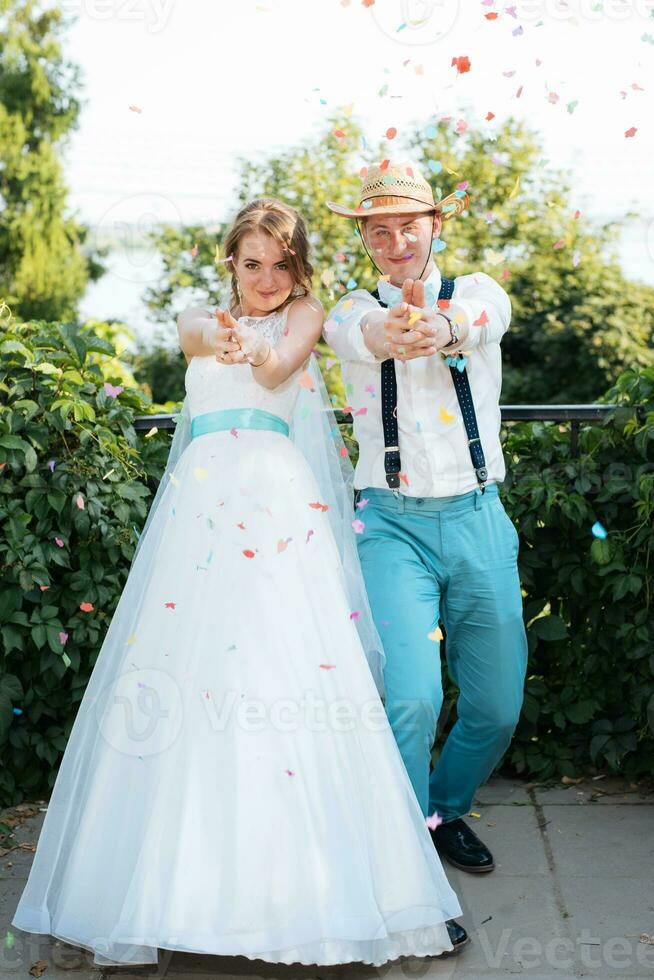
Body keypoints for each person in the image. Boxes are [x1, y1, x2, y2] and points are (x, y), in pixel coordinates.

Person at [11, 198, 468, 968]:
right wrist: (216, 333)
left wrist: (245, 345)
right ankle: (177, 887)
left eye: (281, 264)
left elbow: (283, 363)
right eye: (252, 263)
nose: (266, 277)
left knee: (277, 664)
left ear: (298, 269)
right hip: (199, 512)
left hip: (273, 504)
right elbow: (195, 333)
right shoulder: (199, 320)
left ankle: (308, 891)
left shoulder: (309, 316)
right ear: (231, 262)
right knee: (187, 671)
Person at [326, 161, 529, 876]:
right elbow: (363, 335)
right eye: (379, 231)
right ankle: (409, 850)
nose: (395, 241)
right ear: (367, 240)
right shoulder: (348, 307)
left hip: (478, 517)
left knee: (498, 706)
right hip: (389, 527)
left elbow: (481, 321)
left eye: (407, 226)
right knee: (410, 698)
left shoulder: (477, 293)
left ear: (433, 225)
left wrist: (438, 325)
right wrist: (395, 326)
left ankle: (442, 807)